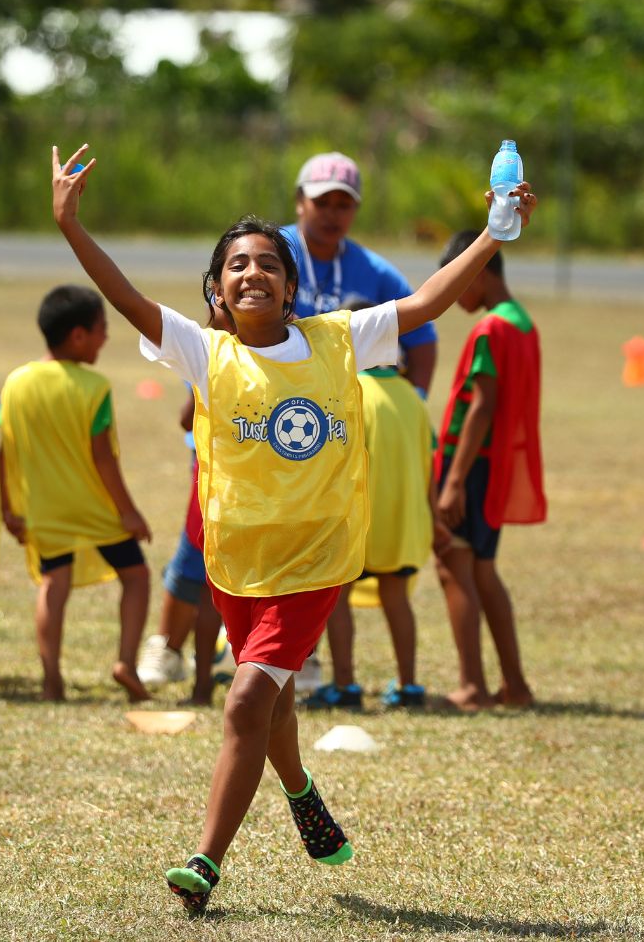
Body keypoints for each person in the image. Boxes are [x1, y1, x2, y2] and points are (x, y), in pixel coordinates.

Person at [48, 142, 534, 915]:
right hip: (236, 562)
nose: (253, 274)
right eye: (236, 265)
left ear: (290, 284)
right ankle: (302, 790)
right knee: (269, 704)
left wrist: (492, 235)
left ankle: (205, 863)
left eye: (267, 264)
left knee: (244, 703)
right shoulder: (205, 355)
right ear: (215, 288)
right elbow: (129, 298)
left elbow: (428, 305)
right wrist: (71, 225)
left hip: (316, 562)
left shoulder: (339, 340)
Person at [279, 151, 440, 696]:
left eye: (344, 205)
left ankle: (324, 672)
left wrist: (411, 395)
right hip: (261, 431)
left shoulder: (376, 272)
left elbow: (424, 334)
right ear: (301, 201)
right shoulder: (269, 254)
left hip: (319, 458)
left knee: (327, 580)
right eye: (323, 202)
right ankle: (206, 649)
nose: (333, 214)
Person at [0, 284, 152, 703]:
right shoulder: (93, 386)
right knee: (136, 577)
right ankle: (125, 663)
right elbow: (103, 459)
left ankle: (51, 680)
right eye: (102, 329)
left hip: (45, 511)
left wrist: (7, 509)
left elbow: (3, 450)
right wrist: (130, 512)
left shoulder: (15, 382)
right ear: (79, 335)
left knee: (53, 586)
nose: (105, 338)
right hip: (95, 509)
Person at [432, 229, 548, 711]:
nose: (454, 292)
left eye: (459, 281)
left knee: (452, 567)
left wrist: (453, 481)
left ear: (480, 272)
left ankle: (473, 687)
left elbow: (483, 405)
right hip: (493, 466)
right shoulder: (522, 323)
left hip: (471, 467)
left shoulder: (490, 329)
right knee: (483, 570)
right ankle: (515, 686)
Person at [314, 352, 441, 710]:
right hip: (402, 522)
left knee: (337, 598)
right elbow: (430, 460)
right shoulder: (412, 397)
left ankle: (345, 686)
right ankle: (409, 686)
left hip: (357, 522)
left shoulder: (350, 391)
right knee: (397, 598)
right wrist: (434, 516)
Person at [137, 301, 233, 706]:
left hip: (217, 486)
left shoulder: (211, 353)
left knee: (209, 583)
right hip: (239, 486)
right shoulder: (273, 349)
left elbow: (186, 417)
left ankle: (199, 681)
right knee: (213, 583)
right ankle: (195, 672)